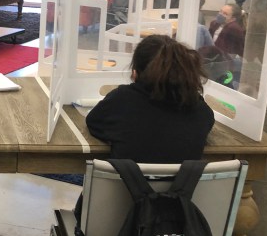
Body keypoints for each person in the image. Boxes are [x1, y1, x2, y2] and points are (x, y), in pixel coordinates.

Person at [86, 35, 215, 163]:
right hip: (183, 184)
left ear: (135, 73)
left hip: (125, 183)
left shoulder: (122, 101)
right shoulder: (202, 112)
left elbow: (94, 123)